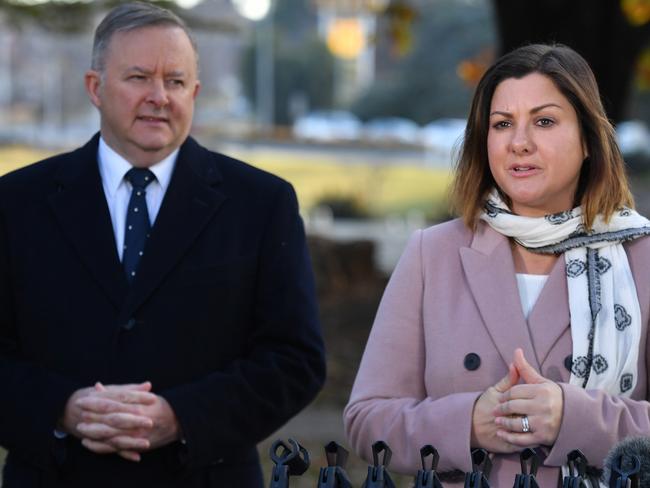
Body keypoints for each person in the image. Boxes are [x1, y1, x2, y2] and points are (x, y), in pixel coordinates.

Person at [0, 3, 325, 487]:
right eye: (138, 77)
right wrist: (62, 410)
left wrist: (182, 417)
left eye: (175, 82)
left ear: (194, 92)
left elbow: (294, 359)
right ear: (95, 87)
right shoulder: (15, 202)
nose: (159, 97)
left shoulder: (261, 204)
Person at [344, 43, 650, 486]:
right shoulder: (434, 253)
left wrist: (575, 418)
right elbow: (366, 421)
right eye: (502, 124)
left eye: (544, 121)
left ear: (588, 139)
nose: (519, 143)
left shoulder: (640, 256)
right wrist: (468, 422)